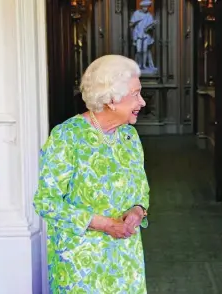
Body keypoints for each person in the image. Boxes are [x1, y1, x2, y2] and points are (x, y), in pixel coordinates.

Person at [33, 55, 149, 293]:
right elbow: (46, 202)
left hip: (126, 260)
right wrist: (105, 224)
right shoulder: (67, 137)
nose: (143, 102)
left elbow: (142, 190)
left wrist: (138, 210)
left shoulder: (129, 137)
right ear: (112, 100)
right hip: (81, 266)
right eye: (135, 94)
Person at [130, 0, 158, 72]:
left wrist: (151, 27)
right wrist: (135, 22)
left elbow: (152, 27)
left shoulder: (149, 15)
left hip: (146, 35)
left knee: (145, 50)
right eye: (145, 7)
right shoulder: (136, 14)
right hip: (138, 35)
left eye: (147, 7)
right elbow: (130, 24)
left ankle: (144, 65)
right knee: (139, 50)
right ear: (142, 7)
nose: (146, 8)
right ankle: (139, 64)